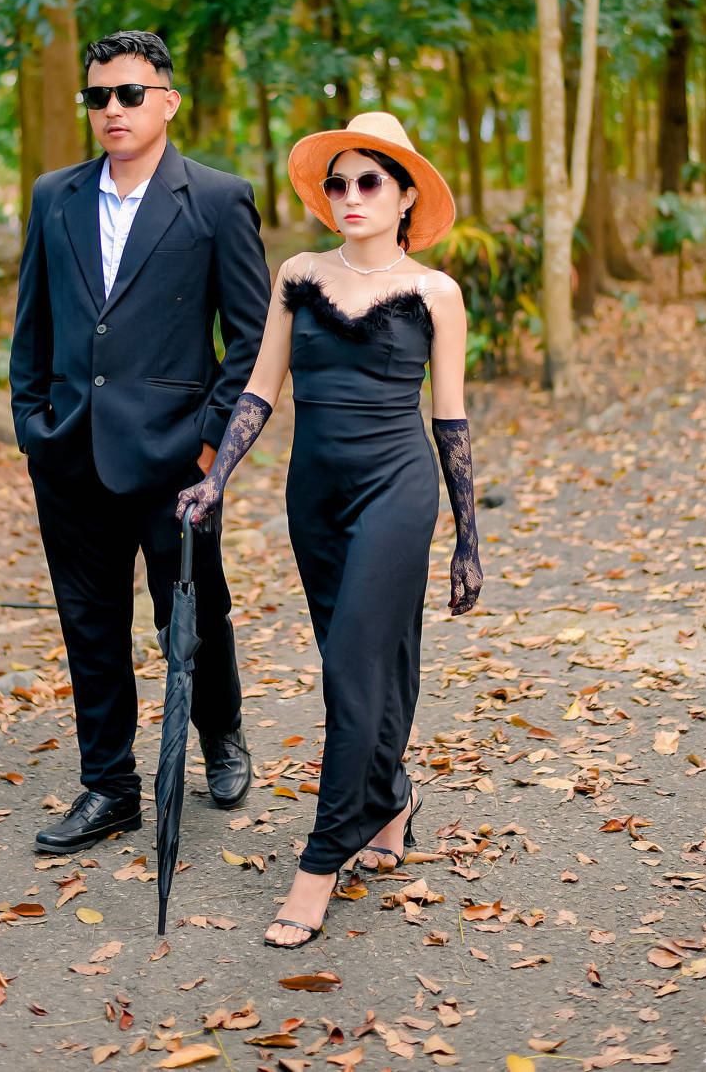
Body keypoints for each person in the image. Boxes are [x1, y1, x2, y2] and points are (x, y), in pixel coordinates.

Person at [176, 111, 481, 947]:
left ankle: (321, 859)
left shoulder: (435, 293)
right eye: (338, 181)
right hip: (313, 496)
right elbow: (259, 388)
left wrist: (468, 537)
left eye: (369, 180)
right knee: (367, 661)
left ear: (405, 195)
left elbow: (450, 418)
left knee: (351, 667)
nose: (351, 193)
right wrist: (216, 477)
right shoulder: (299, 274)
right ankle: (391, 798)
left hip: (397, 489)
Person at [10, 30, 271, 853]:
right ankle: (110, 786)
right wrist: (33, 427)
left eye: (129, 93)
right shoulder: (53, 196)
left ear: (168, 101)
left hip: (175, 462)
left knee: (195, 615)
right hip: (69, 456)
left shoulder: (219, 200)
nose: (112, 109)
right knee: (89, 626)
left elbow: (252, 340)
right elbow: (31, 326)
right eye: (98, 96)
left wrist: (210, 452)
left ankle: (221, 733)